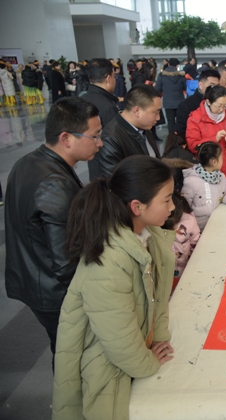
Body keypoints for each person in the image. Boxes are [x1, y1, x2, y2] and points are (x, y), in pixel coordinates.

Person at [52, 155, 176, 420]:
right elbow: (119, 342)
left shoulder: (150, 237)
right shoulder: (108, 262)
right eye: (166, 200)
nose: (173, 207)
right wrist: (148, 362)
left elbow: (159, 297)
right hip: (106, 367)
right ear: (137, 206)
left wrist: (159, 336)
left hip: (135, 345)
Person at [4, 97, 102, 359]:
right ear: (66, 138)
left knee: (63, 348)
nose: (100, 143)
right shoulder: (55, 184)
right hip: (53, 290)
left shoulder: (27, 162)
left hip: (33, 276)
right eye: (95, 136)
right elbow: (66, 262)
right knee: (73, 354)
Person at [95, 85, 162, 179]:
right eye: (156, 112)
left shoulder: (145, 127)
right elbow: (115, 181)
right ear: (137, 111)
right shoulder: (111, 138)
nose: (158, 118)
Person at [182, 142, 226, 231]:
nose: (223, 159)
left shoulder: (220, 177)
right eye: (221, 157)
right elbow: (184, 208)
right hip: (198, 228)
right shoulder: (191, 182)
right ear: (214, 162)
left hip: (215, 223)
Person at [186, 85, 226, 179]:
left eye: (225, 106)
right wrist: (214, 139)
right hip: (207, 169)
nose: (221, 110)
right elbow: (193, 146)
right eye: (219, 106)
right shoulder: (195, 119)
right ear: (208, 102)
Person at [81, 59, 121, 180]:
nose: (115, 80)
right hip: (108, 170)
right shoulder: (107, 106)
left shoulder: (83, 99)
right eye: (114, 76)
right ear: (108, 78)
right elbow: (115, 142)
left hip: (94, 164)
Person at [163, 192, 200, 283]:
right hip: (169, 271)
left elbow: (195, 240)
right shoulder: (157, 231)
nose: (176, 227)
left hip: (187, 264)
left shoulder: (188, 221)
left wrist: (195, 258)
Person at [175, 68, 220, 138]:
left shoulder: (220, 104)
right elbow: (181, 132)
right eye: (212, 86)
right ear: (200, 85)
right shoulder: (186, 105)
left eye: (217, 86)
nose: (215, 89)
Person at [156, 58, 186, 135]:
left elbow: (158, 88)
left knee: (170, 122)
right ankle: (180, 137)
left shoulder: (162, 75)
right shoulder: (181, 76)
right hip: (180, 101)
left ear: (168, 64)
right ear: (177, 65)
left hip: (168, 102)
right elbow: (185, 87)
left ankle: (172, 139)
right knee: (180, 121)